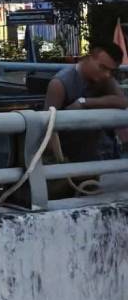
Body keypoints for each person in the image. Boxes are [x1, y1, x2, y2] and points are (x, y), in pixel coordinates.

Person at [43, 42, 127, 197]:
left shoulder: (104, 79)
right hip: (63, 160)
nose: (107, 74)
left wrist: (84, 103)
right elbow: (47, 128)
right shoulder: (60, 83)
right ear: (89, 58)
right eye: (103, 67)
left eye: (111, 71)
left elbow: (122, 101)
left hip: (90, 158)